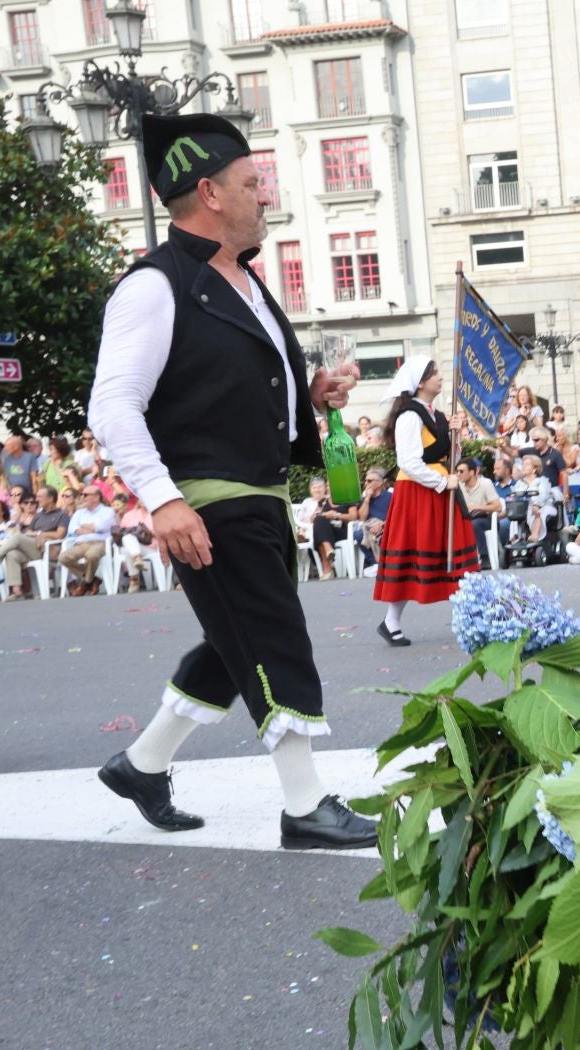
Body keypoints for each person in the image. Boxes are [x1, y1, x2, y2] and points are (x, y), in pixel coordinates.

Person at [87, 111, 375, 850]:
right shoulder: (154, 285)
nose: (265, 196)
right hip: (211, 500)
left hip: (258, 491)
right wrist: (163, 498)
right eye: (254, 183)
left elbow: (227, 385)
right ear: (210, 193)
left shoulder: (239, 281)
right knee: (271, 632)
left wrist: (309, 398)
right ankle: (305, 804)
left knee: (234, 637)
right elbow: (112, 405)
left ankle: (142, 764)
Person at [373, 356, 480, 645]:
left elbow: (448, 455)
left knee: (456, 551)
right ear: (420, 382)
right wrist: (442, 482)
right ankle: (391, 621)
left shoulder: (440, 415)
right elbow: (407, 461)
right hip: (419, 492)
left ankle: (470, 617)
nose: (441, 378)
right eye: (435, 374)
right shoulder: (409, 416)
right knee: (411, 554)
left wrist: (455, 433)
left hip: (442, 490)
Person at [58, 482, 115, 595]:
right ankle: (92, 580)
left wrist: (85, 526)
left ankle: (86, 583)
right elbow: (72, 529)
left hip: (100, 543)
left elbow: (101, 527)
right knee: (63, 557)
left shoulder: (107, 511)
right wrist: (91, 527)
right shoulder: (79, 513)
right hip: (81, 543)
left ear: (97, 497)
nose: (82, 497)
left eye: (85, 495)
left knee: (92, 555)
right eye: (81, 495)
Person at [455, 456, 503, 557]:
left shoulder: (485, 483)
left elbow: (498, 507)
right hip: (466, 519)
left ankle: (484, 556)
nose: (458, 474)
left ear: (472, 472)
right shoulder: (458, 485)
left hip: (486, 519)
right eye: (457, 471)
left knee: (475, 524)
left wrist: (478, 507)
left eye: (461, 471)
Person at [112, 489, 157, 591]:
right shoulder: (129, 515)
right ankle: (137, 559)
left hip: (152, 546)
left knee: (129, 548)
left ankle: (134, 580)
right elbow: (121, 532)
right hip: (134, 547)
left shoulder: (156, 513)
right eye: (141, 498)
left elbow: (161, 533)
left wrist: (148, 531)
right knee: (128, 538)